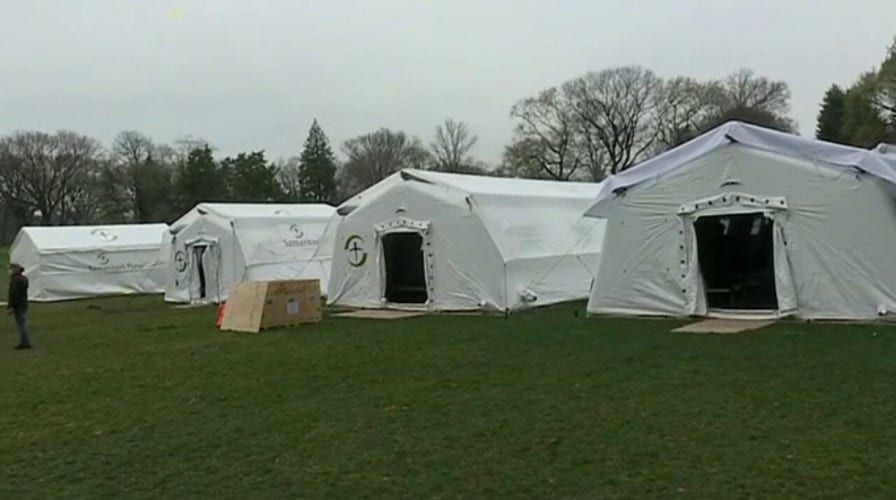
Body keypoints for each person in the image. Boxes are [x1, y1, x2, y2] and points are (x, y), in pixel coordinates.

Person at [7, 263, 32, 349]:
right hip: (23, 304)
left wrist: (11, 307)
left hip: (18, 306)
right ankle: (25, 341)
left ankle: (25, 342)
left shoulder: (15, 280)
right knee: (23, 323)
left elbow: (14, 295)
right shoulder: (24, 279)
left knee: (21, 325)